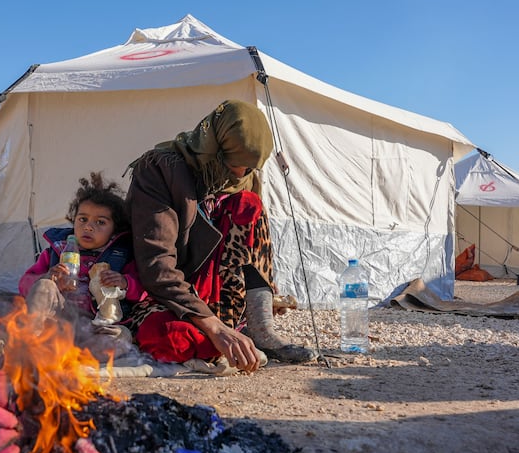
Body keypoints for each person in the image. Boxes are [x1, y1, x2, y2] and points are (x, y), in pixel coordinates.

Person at [124, 99, 316, 373]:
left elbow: (247, 252)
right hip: (159, 294)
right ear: (213, 147)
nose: (240, 174)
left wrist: (256, 305)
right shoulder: (159, 170)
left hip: (216, 298)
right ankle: (224, 332)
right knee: (171, 338)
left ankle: (259, 331)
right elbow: (158, 269)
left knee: (248, 204)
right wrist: (213, 326)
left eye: (249, 168)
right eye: (234, 164)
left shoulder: (244, 178)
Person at [18, 172, 144, 360]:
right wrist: (47, 278)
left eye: (100, 222)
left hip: (97, 325)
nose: (88, 227)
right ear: (73, 220)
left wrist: (125, 282)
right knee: (44, 286)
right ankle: (30, 340)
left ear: (114, 230)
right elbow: (24, 284)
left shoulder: (121, 256)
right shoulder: (55, 252)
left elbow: (142, 289)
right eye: (82, 219)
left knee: (121, 337)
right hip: (58, 319)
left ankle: (73, 355)